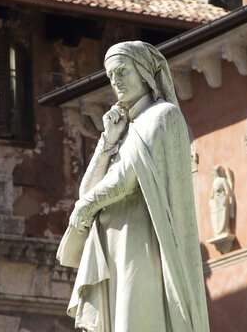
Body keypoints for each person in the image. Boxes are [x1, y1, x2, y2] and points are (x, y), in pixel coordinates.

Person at [58, 41, 209, 331]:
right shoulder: (125, 129)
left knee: (135, 319)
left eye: (122, 71)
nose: (115, 80)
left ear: (143, 73)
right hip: (114, 244)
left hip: (141, 243)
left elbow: (126, 179)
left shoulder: (162, 115)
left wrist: (86, 206)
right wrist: (106, 142)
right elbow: (87, 189)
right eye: (110, 76)